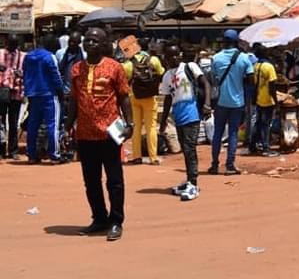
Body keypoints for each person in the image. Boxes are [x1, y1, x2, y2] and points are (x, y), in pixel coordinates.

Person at [64, 27, 133, 242]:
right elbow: (74, 100)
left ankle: (116, 221)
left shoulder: (115, 68)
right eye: (88, 40)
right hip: (85, 134)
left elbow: (124, 97)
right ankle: (99, 218)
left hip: (110, 133)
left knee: (114, 180)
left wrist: (129, 123)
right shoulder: (76, 69)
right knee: (91, 181)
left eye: (95, 41)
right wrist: (67, 125)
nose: (90, 44)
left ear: (104, 45)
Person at [159, 44, 211, 201]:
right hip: (178, 115)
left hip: (192, 113)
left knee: (190, 149)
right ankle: (189, 180)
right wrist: (163, 121)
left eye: (176, 55)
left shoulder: (190, 67)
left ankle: (193, 184)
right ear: (165, 59)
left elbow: (205, 84)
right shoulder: (167, 75)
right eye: (170, 56)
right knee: (185, 149)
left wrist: (207, 103)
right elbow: (168, 98)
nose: (174, 58)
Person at [208, 29, 255, 175]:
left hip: (221, 102)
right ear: (236, 41)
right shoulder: (244, 58)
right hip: (237, 102)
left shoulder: (216, 58)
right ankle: (230, 165)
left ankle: (215, 164)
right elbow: (251, 79)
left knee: (218, 133)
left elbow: (213, 78)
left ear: (223, 41)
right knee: (233, 133)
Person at [121, 37, 165, 165]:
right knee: (151, 127)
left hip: (134, 97)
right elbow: (161, 72)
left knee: (136, 127)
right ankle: (153, 157)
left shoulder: (128, 64)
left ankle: (137, 156)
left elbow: (125, 79)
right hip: (150, 98)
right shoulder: (154, 60)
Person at [24, 34, 65, 164]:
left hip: (33, 94)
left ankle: (31, 155)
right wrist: (61, 92)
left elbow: (25, 73)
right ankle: (54, 155)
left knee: (33, 125)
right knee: (52, 125)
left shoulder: (28, 56)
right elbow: (55, 75)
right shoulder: (49, 57)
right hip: (49, 94)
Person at [57, 31, 85, 161]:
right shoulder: (61, 54)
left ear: (79, 43)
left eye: (75, 42)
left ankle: (77, 149)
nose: (72, 44)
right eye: (70, 42)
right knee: (63, 121)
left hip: (79, 93)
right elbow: (58, 72)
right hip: (63, 93)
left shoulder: (84, 56)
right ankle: (64, 149)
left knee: (78, 122)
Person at [251, 44, 279, 157]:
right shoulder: (269, 67)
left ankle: (252, 145)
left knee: (258, 123)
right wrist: (276, 101)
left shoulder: (256, 66)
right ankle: (266, 147)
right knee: (266, 124)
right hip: (267, 99)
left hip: (258, 98)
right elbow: (272, 85)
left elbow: (254, 83)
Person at [0, 35, 26, 159]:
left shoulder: (22, 56)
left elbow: (26, 73)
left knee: (13, 121)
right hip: (1, 92)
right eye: (10, 44)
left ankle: (13, 150)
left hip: (16, 92)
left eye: (14, 44)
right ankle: (1, 149)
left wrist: (21, 74)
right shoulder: (0, 54)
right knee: (1, 121)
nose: (11, 47)